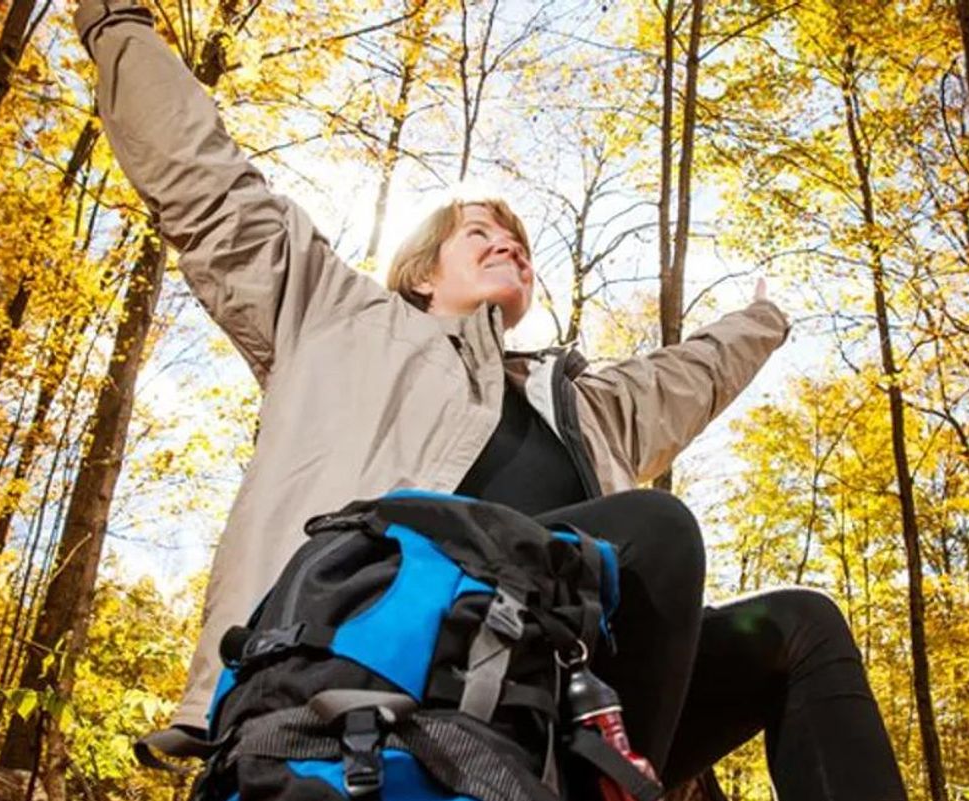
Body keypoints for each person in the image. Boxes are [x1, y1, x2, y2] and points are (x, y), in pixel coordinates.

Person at [74, 1, 907, 799]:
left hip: (555, 699)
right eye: (480, 230)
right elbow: (206, 182)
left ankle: (580, 774)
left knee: (797, 628)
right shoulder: (333, 315)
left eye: (518, 241)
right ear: (423, 267)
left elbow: (694, 372)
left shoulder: (583, 405)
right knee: (652, 531)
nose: (507, 240)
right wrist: (116, 24)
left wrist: (765, 316)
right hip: (360, 666)